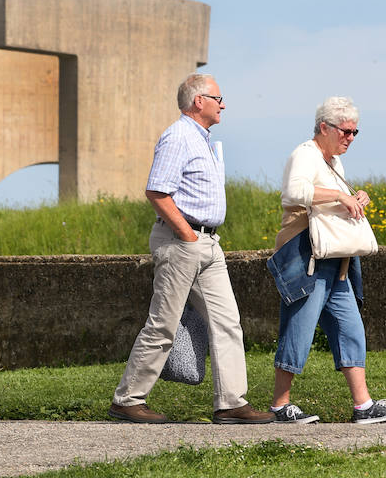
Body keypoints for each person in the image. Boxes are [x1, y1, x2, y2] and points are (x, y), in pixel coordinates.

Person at [109, 73, 274, 425]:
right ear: (199, 101)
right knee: (163, 324)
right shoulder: (178, 136)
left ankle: (231, 403)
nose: (223, 104)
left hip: (208, 243)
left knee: (228, 323)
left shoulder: (205, 140)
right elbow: (157, 191)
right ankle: (127, 399)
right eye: (219, 98)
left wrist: (201, 239)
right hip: (182, 241)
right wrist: (187, 235)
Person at [267, 96, 386, 424]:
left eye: (356, 132)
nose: (350, 138)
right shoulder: (305, 154)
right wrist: (339, 196)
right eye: (345, 131)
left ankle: (363, 405)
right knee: (298, 328)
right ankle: (279, 405)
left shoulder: (333, 162)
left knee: (350, 327)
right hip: (307, 255)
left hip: (335, 258)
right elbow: (292, 192)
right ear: (324, 127)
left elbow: (330, 200)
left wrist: (354, 196)